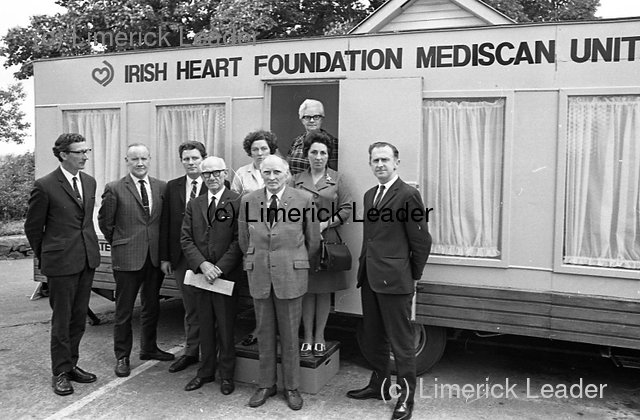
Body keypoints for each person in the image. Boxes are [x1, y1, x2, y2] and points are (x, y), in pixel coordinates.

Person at [346, 142, 431, 420]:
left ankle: (406, 399)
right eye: (375, 160)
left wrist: (412, 275)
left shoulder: (408, 195)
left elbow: (421, 240)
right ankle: (379, 387)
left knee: (401, 344)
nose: (380, 164)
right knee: (374, 338)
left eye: (385, 159)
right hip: (370, 278)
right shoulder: (370, 195)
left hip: (396, 281)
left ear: (396, 163)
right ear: (370, 164)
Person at [239, 155, 320, 411]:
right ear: (260, 174)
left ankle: (292, 387)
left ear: (286, 174)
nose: (272, 177)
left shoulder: (304, 199)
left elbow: (313, 240)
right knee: (264, 333)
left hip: (291, 275)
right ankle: (266, 384)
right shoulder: (248, 200)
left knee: (290, 335)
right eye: (267, 172)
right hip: (260, 274)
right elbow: (243, 239)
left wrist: (294, 261)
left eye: (277, 172)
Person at [24, 133, 100, 396]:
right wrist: (47, 256)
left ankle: (71, 365)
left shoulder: (89, 182)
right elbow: (33, 227)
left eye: (86, 151)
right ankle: (60, 372)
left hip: (86, 259)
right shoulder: (45, 185)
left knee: (78, 319)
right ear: (63, 154)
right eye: (80, 152)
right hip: (60, 263)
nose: (85, 156)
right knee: (62, 320)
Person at [98, 143, 173, 378]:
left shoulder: (162, 187)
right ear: (127, 161)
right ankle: (122, 356)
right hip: (127, 258)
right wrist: (122, 242)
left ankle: (149, 348)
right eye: (134, 159)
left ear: (150, 159)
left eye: (143, 158)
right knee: (124, 311)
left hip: (154, 258)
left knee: (152, 306)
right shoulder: (114, 188)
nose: (140, 163)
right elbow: (105, 223)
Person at [180, 156, 243, 395]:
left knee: (226, 327)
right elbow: (186, 238)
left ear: (225, 174)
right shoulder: (194, 204)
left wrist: (220, 268)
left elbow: (239, 239)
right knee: (204, 325)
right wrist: (203, 265)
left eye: (216, 173)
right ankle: (205, 372)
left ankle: (226, 375)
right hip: (202, 276)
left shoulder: (237, 201)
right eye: (206, 174)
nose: (212, 177)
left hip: (225, 276)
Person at [291, 131, 352, 358]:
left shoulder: (337, 179)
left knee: (324, 291)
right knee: (307, 290)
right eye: (314, 152)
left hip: (328, 242)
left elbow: (347, 208)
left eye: (323, 153)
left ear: (328, 156)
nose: (318, 157)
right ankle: (307, 336)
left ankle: (320, 336)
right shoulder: (295, 179)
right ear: (307, 154)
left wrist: (325, 223)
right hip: (303, 241)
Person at [160, 141, 208, 373]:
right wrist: (165, 257)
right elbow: (166, 223)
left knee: (209, 307)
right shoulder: (173, 187)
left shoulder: (216, 183)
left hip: (208, 260)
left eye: (195, 158)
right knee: (190, 308)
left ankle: (210, 354)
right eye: (186, 159)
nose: (191, 163)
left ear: (203, 159)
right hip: (180, 258)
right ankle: (190, 352)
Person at [231, 129, 278, 347]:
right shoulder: (242, 173)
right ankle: (260, 329)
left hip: (277, 239)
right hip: (253, 239)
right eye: (255, 149)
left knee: (278, 287)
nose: (259, 153)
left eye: (264, 148)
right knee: (259, 290)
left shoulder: (281, 170)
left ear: (271, 150)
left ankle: (277, 329)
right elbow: (236, 206)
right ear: (249, 152)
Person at [286, 99, 338, 175]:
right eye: (307, 117)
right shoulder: (297, 141)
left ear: (322, 119)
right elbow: (287, 167)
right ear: (302, 120)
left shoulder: (332, 142)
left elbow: (333, 173)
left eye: (316, 117)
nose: (312, 120)